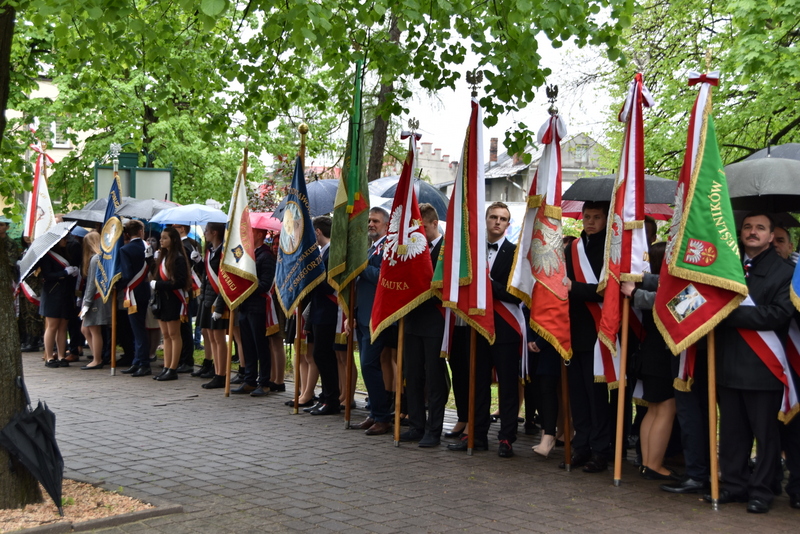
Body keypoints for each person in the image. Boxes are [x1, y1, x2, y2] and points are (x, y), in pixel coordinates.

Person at [709, 211, 794, 513]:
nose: (752, 232)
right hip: (728, 362)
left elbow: (778, 314)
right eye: (747, 227)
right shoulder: (725, 265)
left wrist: (728, 313)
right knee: (732, 433)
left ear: (771, 236)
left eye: (760, 228)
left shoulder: (785, 272)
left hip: (763, 368)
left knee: (766, 435)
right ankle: (734, 485)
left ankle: (761, 491)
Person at [448, 202, 523, 457]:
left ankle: (507, 437)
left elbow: (516, 294)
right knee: (477, 383)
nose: (497, 222)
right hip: (477, 328)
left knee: (507, 386)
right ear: (486, 219)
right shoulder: (472, 253)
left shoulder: (515, 253)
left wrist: (487, 285)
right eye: (493, 217)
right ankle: (477, 435)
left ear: (508, 224)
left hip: (505, 328)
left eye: (503, 218)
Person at [621, 243, 679, 481]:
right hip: (661, 355)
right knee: (665, 408)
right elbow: (676, 304)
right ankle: (653, 464)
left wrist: (637, 287)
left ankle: (647, 462)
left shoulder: (654, 283)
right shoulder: (663, 289)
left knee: (654, 409)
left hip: (650, 353)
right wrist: (636, 293)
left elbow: (661, 286)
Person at [561, 200, 611, 472]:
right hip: (573, 329)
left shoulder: (610, 249)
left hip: (598, 330)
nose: (591, 222)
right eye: (587, 216)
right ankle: (581, 446)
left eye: (597, 217)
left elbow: (606, 291)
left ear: (606, 219)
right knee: (578, 395)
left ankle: (600, 450)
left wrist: (574, 287)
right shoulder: (572, 249)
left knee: (596, 396)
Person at [400, 203, 447, 447]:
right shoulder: (412, 248)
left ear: (433, 224)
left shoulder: (446, 249)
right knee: (413, 375)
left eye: (422, 228)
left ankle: (434, 429)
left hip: (435, 321)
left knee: (435, 377)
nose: (417, 234)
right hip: (413, 320)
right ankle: (416, 425)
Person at [350, 207, 393, 434]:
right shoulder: (371, 248)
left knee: (369, 365)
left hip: (378, 317)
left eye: (375, 221)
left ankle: (383, 417)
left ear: (386, 224)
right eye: (369, 220)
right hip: (363, 314)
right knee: (367, 366)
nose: (370, 224)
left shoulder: (389, 248)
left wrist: (361, 265)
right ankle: (375, 414)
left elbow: (382, 278)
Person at [304, 216, 342, 415]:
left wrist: (310, 276)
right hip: (318, 311)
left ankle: (331, 400)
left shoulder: (332, 253)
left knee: (323, 355)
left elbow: (329, 285)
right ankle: (326, 397)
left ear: (318, 232)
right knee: (319, 355)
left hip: (328, 311)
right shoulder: (321, 253)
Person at [231, 227, 275, 396]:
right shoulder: (247, 254)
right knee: (248, 345)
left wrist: (245, 286)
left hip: (258, 307)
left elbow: (265, 284)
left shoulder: (266, 255)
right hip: (245, 305)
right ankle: (249, 380)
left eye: (251, 231)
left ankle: (264, 382)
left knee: (260, 346)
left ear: (260, 234)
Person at [149, 226, 190, 381]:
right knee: (165, 335)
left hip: (173, 300)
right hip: (162, 300)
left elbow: (179, 282)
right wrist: (149, 260)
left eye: (165, 238)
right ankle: (166, 367)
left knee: (174, 335)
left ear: (173, 240)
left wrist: (158, 285)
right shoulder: (163, 257)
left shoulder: (178, 258)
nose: (161, 240)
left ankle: (173, 368)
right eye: (161, 238)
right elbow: (157, 276)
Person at [196, 222, 228, 389]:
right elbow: (206, 274)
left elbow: (225, 280)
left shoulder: (224, 251)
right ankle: (216, 371)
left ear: (215, 232)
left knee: (218, 338)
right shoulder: (209, 250)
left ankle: (221, 374)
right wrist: (198, 262)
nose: (205, 233)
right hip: (207, 298)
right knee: (209, 335)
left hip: (217, 300)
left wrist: (220, 306)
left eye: (207, 230)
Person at [40, 236, 79, 368]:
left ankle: (61, 355)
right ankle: (49, 357)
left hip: (65, 293)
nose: (66, 241)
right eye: (63, 239)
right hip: (53, 294)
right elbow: (47, 275)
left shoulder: (65, 253)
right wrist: (64, 273)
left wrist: (72, 273)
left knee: (63, 326)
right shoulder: (47, 256)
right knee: (52, 326)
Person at [119, 220, 152, 376]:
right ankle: (137, 361)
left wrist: (117, 285)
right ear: (140, 231)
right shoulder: (147, 247)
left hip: (133, 292)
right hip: (144, 290)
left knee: (138, 330)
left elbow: (127, 274)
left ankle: (143, 363)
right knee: (139, 329)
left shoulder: (125, 249)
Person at [78, 231, 111, 369]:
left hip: (95, 297)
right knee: (86, 329)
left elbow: (92, 283)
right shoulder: (104, 257)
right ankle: (96, 356)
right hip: (99, 297)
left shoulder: (95, 259)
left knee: (93, 329)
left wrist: (86, 303)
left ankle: (97, 359)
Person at [174, 224, 202, 372]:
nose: (173, 228)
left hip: (185, 289)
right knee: (181, 326)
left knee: (184, 326)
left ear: (182, 229)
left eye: (175, 226)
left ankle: (186, 360)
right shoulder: (186, 244)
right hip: (184, 289)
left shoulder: (185, 245)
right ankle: (179, 358)